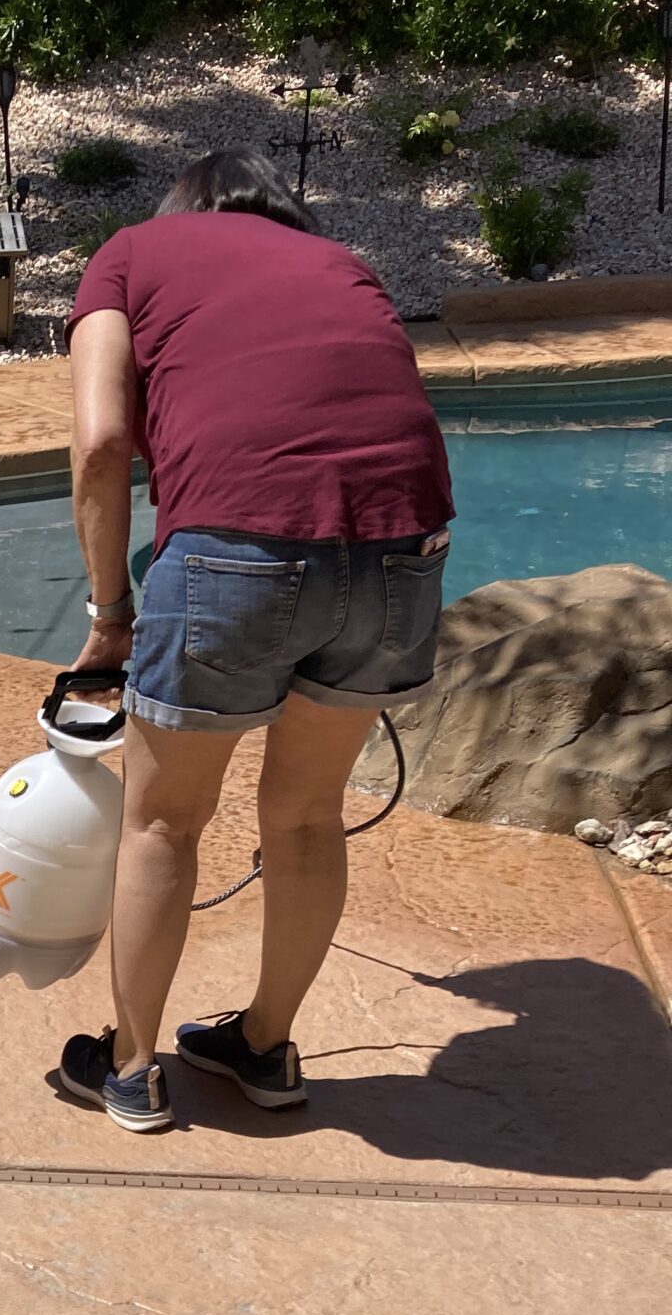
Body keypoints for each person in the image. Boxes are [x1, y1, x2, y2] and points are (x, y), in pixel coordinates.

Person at [56, 150, 453, 1132]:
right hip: (406, 548)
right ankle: (265, 1045)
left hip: (240, 546)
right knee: (309, 817)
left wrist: (110, 617)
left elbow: (101, 443)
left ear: (179, 205)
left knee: (162, 823)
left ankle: (134, 1068)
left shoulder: (132, 253)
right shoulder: (343, 264)